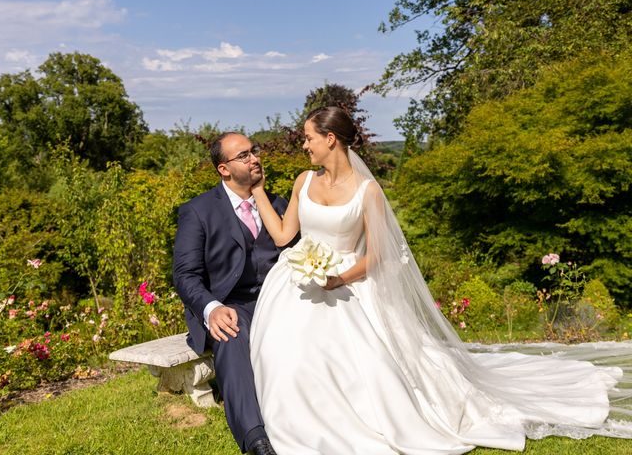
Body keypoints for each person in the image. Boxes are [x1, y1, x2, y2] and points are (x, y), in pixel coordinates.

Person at [249, 106, 632, 454]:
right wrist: (259, 192)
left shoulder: (368, 191)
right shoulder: (303, 181)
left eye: (309, 138)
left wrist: (338, 278)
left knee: (370, 365)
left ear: (330, 139)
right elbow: (284, 236)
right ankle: (299, 418)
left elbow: (379, 255)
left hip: (346, 283)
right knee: (289, 353)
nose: (304, 145)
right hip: (297, 280)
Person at [173, 132, 295, 455]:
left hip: (277, 301)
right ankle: (256, 440)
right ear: (223, 169)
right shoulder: (197, 212)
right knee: (231, 334)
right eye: (243, 155)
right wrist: (211, 308)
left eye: (254, 151)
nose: (254, 158)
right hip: (228, 305)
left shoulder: (278, 205)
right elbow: (185, 275)